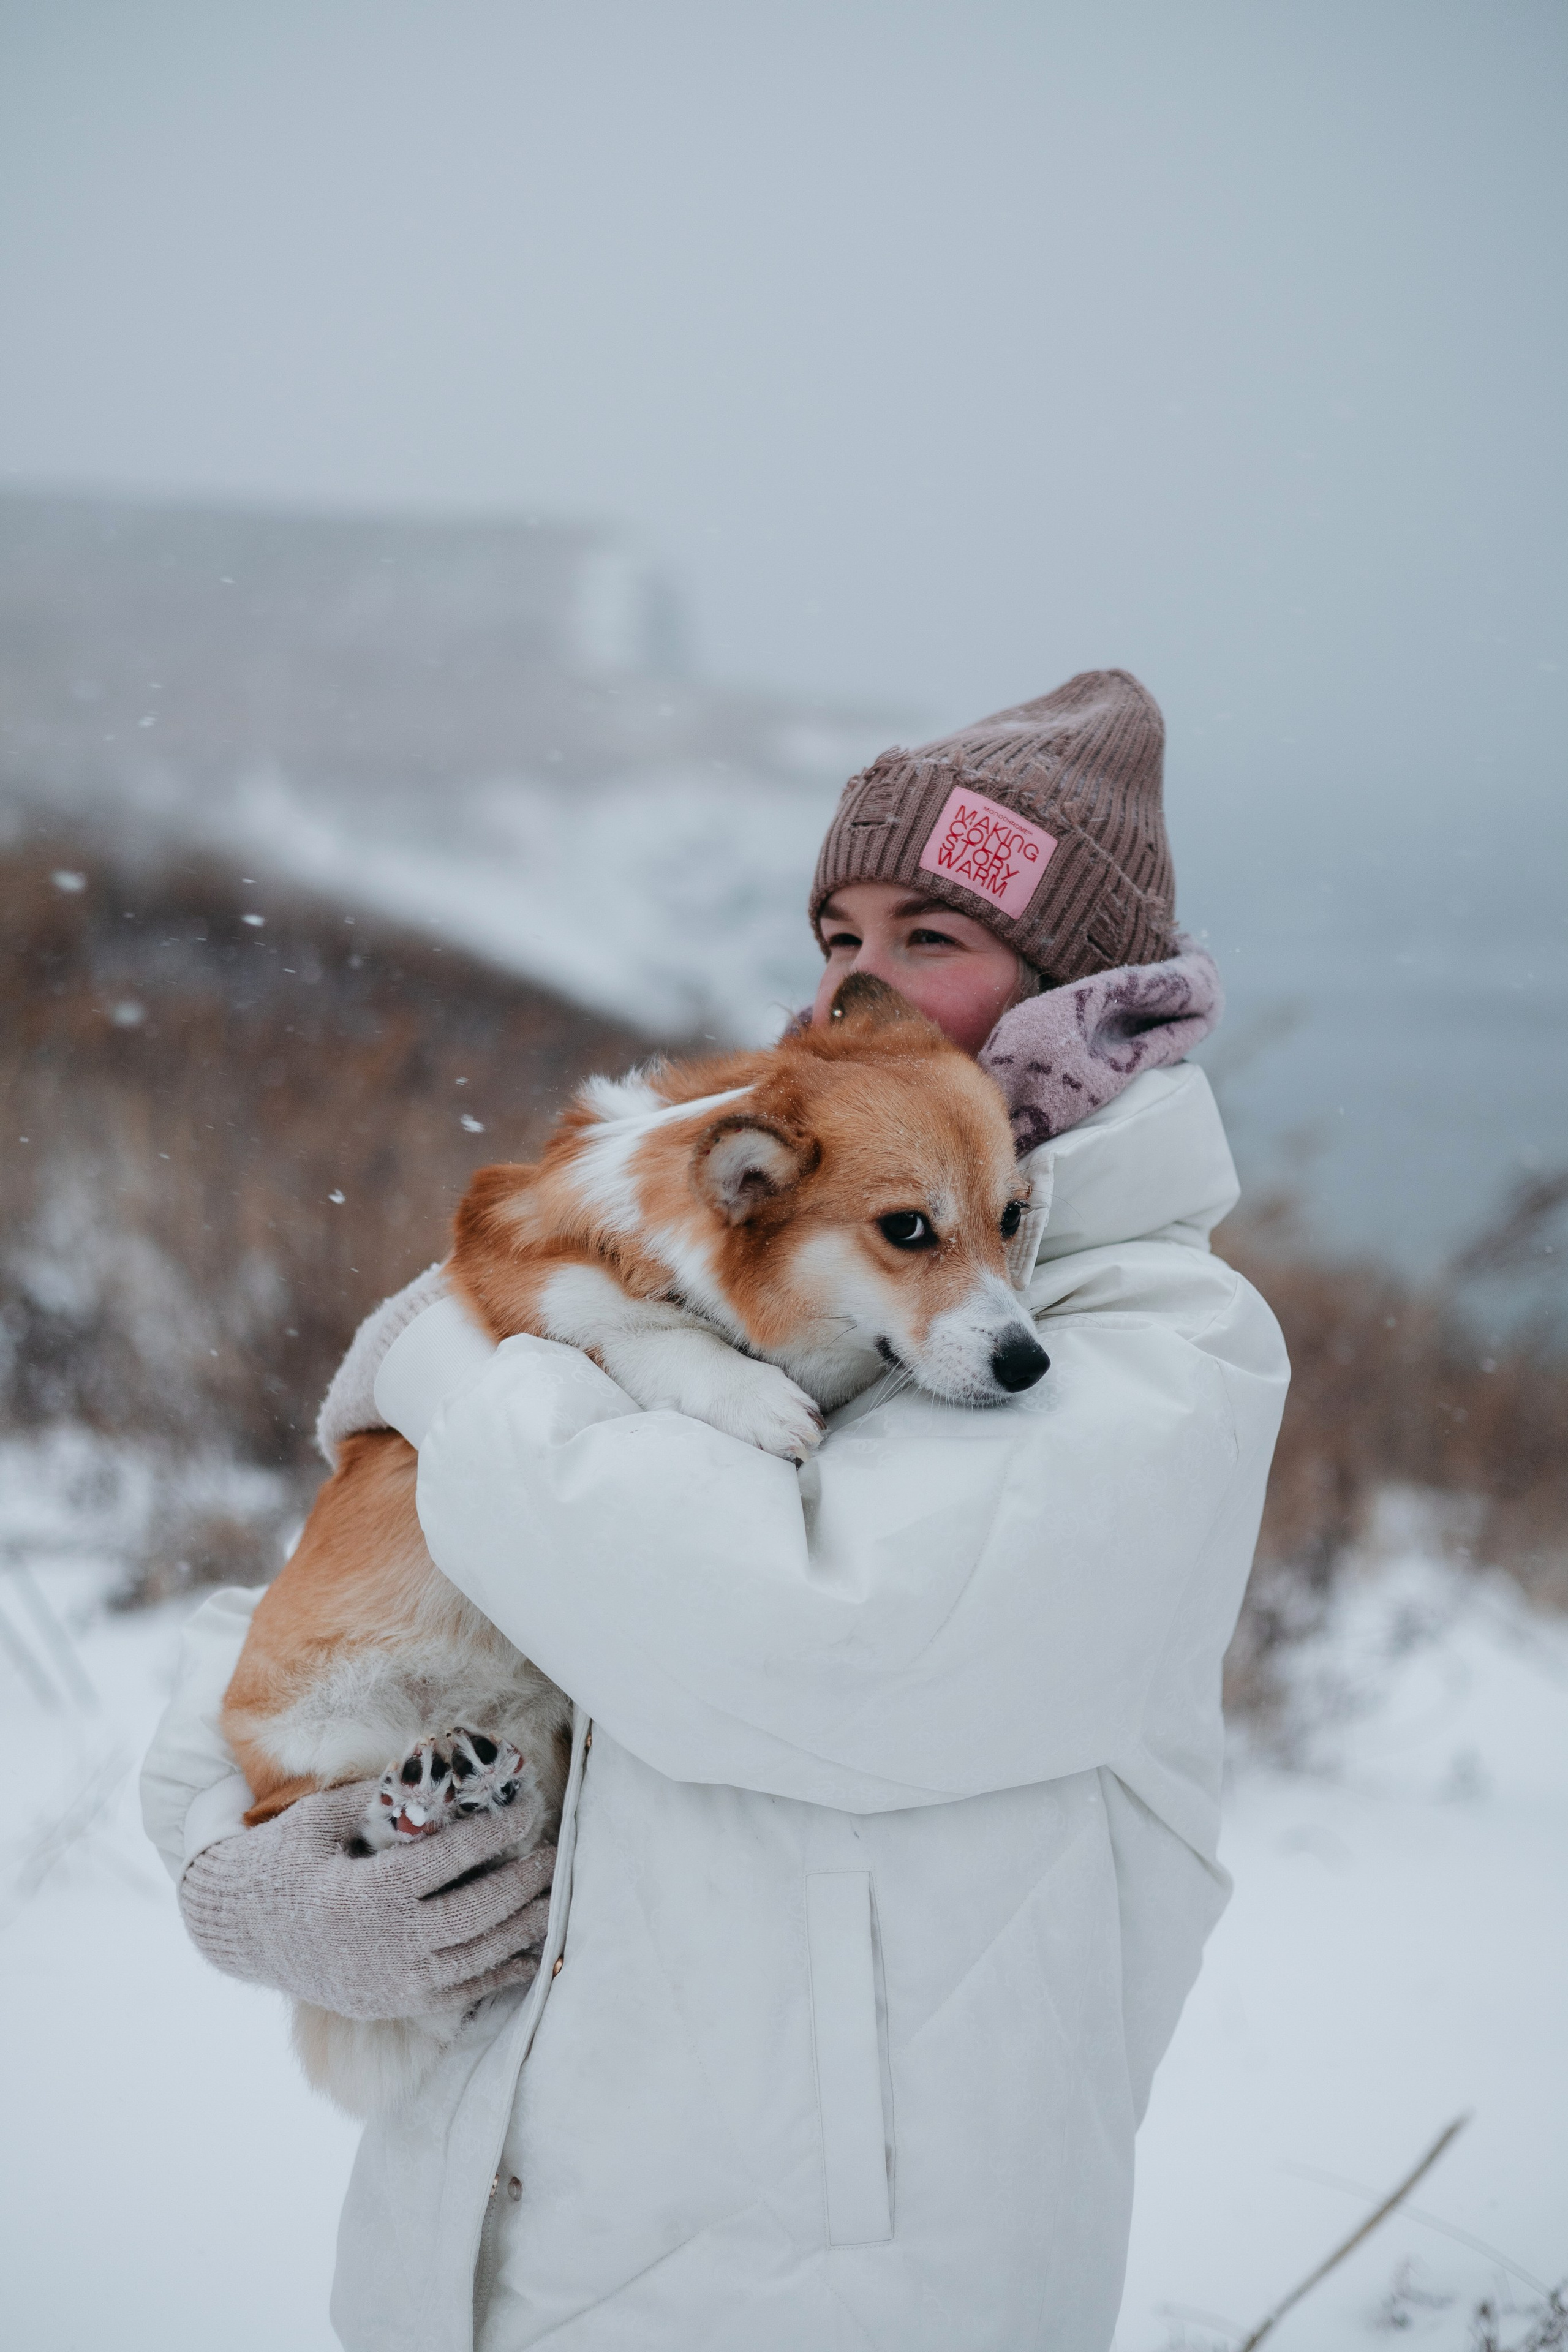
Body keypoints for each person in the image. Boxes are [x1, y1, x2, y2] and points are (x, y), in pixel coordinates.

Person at [141, 668, 1288, 2352]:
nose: (852, 990)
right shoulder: (744, 1241)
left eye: (931, 939)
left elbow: (785, 1649)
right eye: (839, 937)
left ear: (1087, 995)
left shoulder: (1157, 1350)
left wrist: (460, 1362)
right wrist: (242, 1868)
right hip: (488, 2250)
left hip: (843, 2298)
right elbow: (351, 1579)